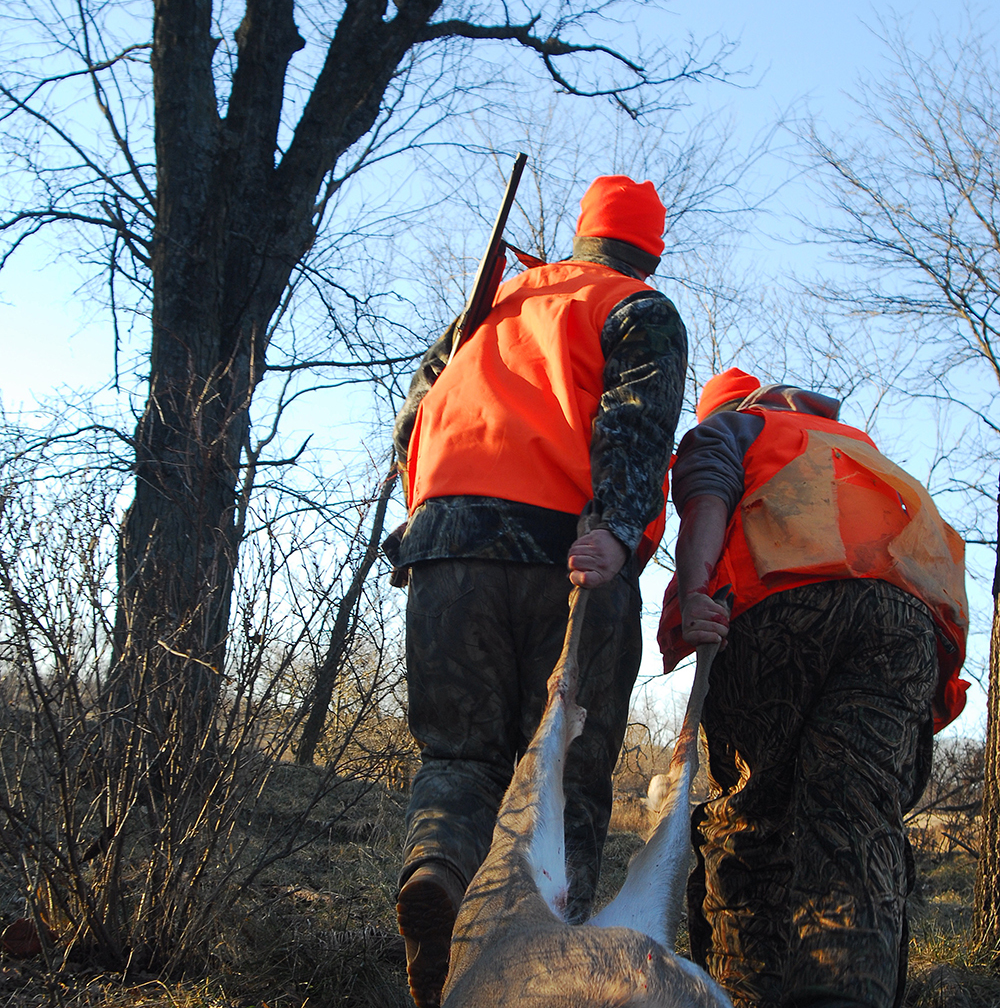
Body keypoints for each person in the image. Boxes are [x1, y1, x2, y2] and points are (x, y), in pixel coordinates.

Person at [388, 175, 687, 1007]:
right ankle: (546, 975)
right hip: (566, 553)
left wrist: (430, 521)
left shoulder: (492, 305)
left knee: (458, 756)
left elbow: (413, 416)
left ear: (585, 234)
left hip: (444, 546)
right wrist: (618, 529)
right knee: (566, 776)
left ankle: (440, 873)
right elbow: (634, 421)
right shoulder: (638, 307)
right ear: (651, 250)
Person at [658, 367, 969, 1008]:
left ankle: (745, 995)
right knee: (855, 820)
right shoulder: (850, 442)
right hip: (903, 620)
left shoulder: (733, 426)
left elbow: (707, 498)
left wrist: (693, 593)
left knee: (750, 823)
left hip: (782, 609)